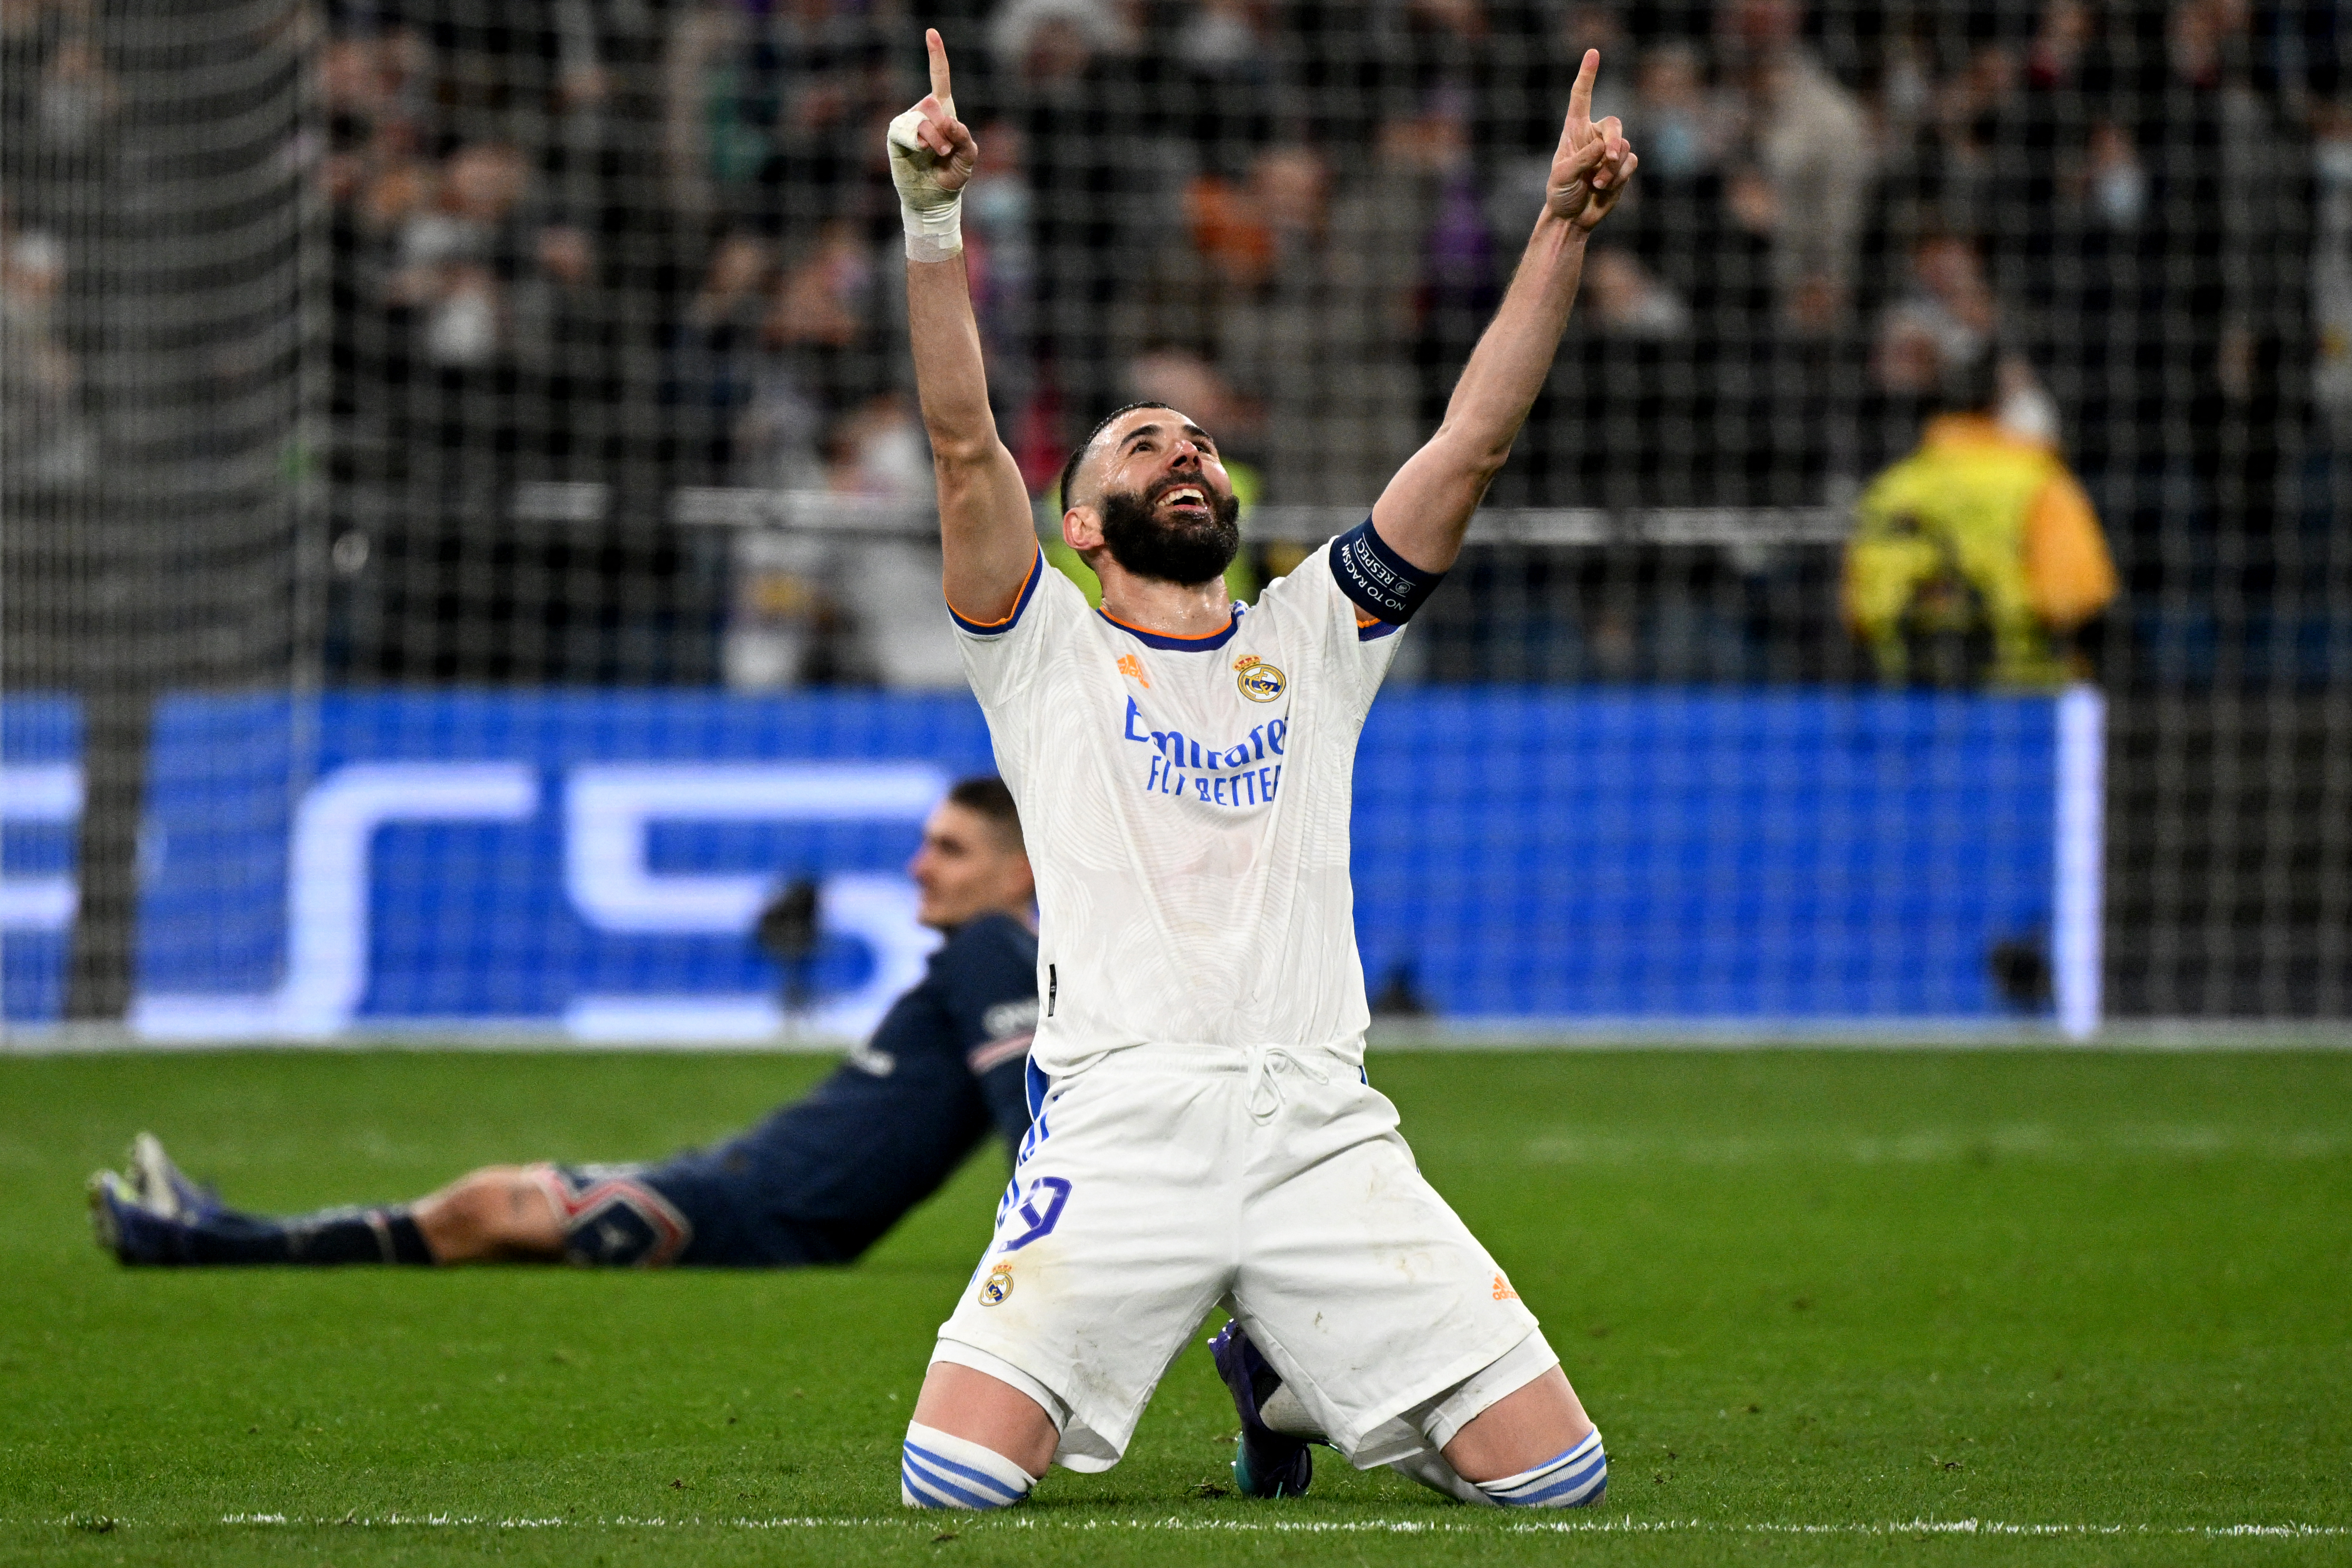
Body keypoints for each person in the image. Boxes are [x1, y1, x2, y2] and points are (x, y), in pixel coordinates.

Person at [882, 31, 1634, 1511]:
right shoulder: (1038, 646)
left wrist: (1555, 227)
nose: (1183, 455)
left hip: (1316, 1122)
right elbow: (964, 444)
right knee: (951, 1481)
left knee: (1556, 1479)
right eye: (1142, 444)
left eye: (1202, 446)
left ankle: (1278, 1370)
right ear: (1081, 525)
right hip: (1120, 1117)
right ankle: (1266, 1354)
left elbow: (1469, 443)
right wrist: (929, 215)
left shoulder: (1319, 627)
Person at [89, 778, 1041, 1270]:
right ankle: (221, 1230)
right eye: (924, 844)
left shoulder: (992, 949)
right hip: (742, 1192)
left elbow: (1028, 1117)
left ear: (1016, 872)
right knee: (485, 1220)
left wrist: (1039, 1260)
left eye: (950, 850)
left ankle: (203, 1243)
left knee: (480, 1209)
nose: (919, 866)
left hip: (754, 1215)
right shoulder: (989, 958)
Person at [1844, 351, 2117, 689]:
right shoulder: (2041, 484)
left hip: (1908, 707)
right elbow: (2073, 600)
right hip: (2025, 705)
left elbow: (1860, 611)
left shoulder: (1892, 488)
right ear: (2001, 406)